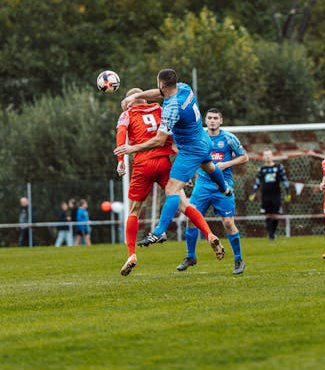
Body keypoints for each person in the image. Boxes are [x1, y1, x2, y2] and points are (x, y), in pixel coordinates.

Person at [114, 85, 226, 276]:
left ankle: (132, 254)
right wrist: (184, 170)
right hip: (164, 162)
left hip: (143, 164)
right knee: (185, 204)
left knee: (134, 210)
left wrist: (120, 161)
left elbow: (121, 134)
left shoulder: (127, 113)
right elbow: (173, 138)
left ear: (129, 102)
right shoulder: (160, 109)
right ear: (145, 99)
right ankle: (210, 234)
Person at [176, 108, 249, 275]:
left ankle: (238, 259)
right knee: (191, 218)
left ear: (221, 120)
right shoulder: (199, 137)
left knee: (228, 223)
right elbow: (189, 156)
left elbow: (244, 157)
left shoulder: (229, 138)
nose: (212, 121)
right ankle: (190, 256)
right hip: (202, 185)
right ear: (205, 120)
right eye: (209, 118)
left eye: (216, 118)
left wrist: (226, 164)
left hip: (223, 185)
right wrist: (187, 175)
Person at [248, 149, 290, 240]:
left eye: (269, 155)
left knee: (275, 215)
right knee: (267, 215)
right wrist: (253, 192)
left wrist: (287, 192)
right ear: (263, 157)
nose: (267, 157)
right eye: (265, 155)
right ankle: (270, 234)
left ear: (272, 156)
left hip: (276, 194)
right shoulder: (262, 169)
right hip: (265, 195)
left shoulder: (278, 167)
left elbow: (284, 180)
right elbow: (257, 182)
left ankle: (272, 233)